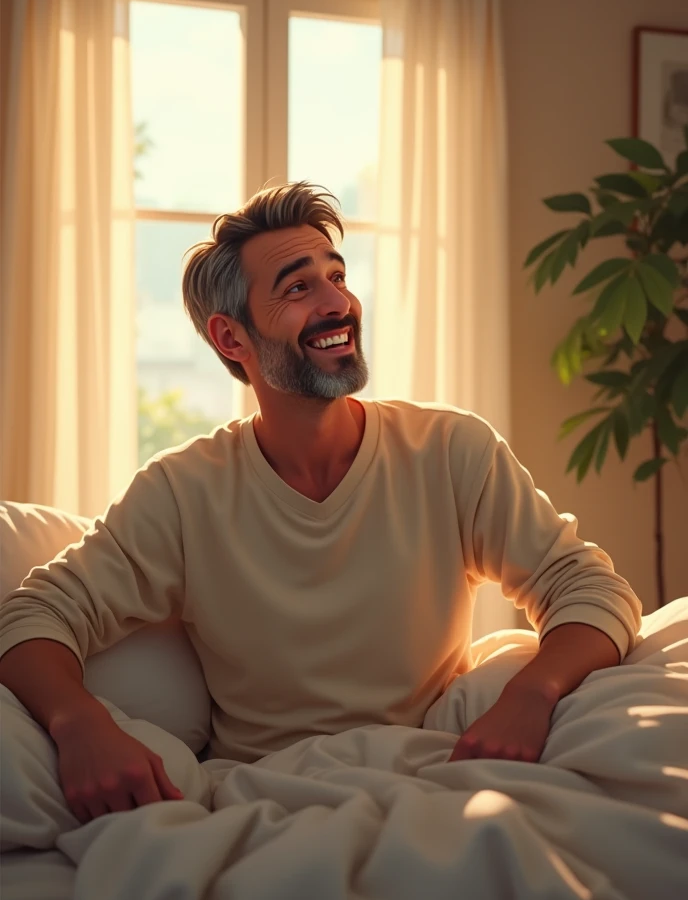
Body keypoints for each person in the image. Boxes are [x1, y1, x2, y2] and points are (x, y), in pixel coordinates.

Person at [0, 181, 642, 825]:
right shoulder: (181, 491)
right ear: (231, 338)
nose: (339, 303)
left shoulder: (451, 449)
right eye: (298, 287)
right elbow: (33, 618)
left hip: (441, 762)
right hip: (267, 792)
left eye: (337, 276)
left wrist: (533, 691)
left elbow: (590, 587)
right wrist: (77, 723)